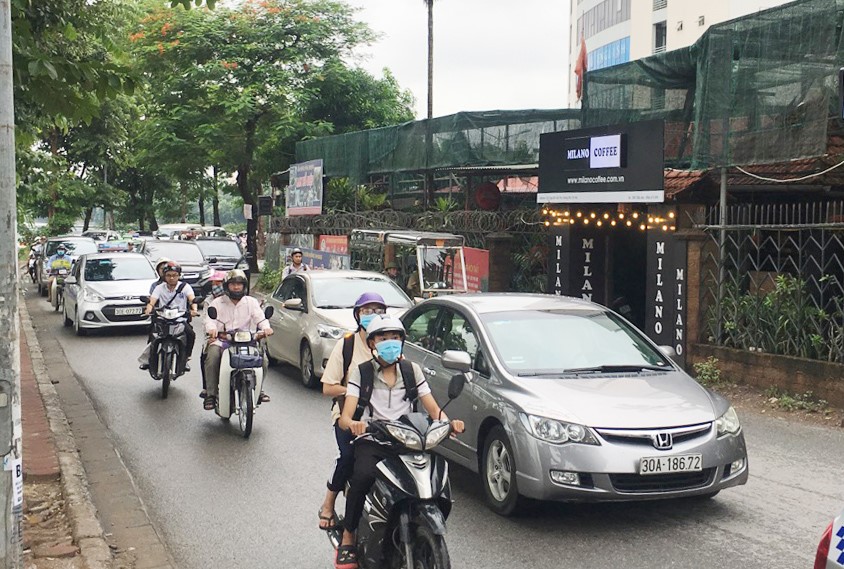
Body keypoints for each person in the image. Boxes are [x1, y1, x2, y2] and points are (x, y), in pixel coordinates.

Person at [334, 315, 464, 569]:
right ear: (372, 343)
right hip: (373, 439)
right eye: (383, 338)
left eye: (395, 337)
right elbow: (345, 417)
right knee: (362, 476)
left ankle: (420, 524)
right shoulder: (361, 373)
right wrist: (354, 424)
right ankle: (349, 537)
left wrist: (449, 423)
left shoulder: (411, 370)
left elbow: (433, 408)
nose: (390, 343)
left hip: (408, 439)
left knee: (433, 476)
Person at [317, 292, 388, 531]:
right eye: (367, 311)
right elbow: (328, 386)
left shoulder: (390, 347)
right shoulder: (346, 345)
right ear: (357, 315)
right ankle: (329, 504)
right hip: (350, 417)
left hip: (383, 419)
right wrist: (355, 391)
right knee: (349, 458)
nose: (373, 315)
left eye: (378, 311)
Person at [203, 269, 274, 411]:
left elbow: (261, 318)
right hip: (223, 340)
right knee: (212, 356)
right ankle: (210, 394)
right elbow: (209, 320)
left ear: (244, 286)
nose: (236, 287)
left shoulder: (251, 302)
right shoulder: (217, 303)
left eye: (239, 284)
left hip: (247, 340)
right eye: (233, 284)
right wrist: (211, 329)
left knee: (264, 360)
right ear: (226, 286)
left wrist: (266, 328)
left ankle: (258, 390)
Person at [138, 261, 198, 372]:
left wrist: (194, 309)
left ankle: (185, 358)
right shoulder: (159, 288)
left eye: (174, 275)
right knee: (152, 333)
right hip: (163, 318)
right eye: (169, 275)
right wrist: (149, 308)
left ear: (179, 276)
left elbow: (192, 299)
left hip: (180, 318)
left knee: (191, 334)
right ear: (164, 276)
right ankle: (149, 359)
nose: (171, 278)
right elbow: (152, 301)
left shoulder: (185, 287)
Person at [199, 270, 228, 399]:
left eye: (220, 283)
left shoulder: (237, 299)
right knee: (206, 357)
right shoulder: (209, 301)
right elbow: (206, 319)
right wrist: (211, 333)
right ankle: (208, 389)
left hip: (236, 337)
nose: (217, 286)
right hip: (215, 336)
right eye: (214, 283)